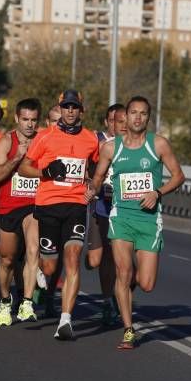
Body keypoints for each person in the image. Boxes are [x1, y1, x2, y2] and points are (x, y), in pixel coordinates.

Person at [91, 96, 185, 349]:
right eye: (133, 113)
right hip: (120, 217)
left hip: (149, 220)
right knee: (123, 273)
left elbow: (178, 176)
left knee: (147, 283)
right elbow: (98, 177)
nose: (137, 118)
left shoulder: (159, 144)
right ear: (126, 116)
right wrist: (91, 190)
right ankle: (128, 330)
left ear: (147, 118)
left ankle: (127, 286)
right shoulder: (111, 148)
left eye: (143, 114)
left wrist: (158, 192)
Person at [18, 89, 100, 340]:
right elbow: (23, 168)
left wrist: (92, 185)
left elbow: (96, 168)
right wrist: (45, 172)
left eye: (74, 107)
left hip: (76, 205)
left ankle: (66, 320)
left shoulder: (90, 139)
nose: (70, 111)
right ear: (60, 109)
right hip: (48, 205)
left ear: (81, 110)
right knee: (50, 266)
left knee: (73, 257)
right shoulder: (45, 136)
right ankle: (42, 272)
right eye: (66, 107)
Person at [0, 98, 42, 326]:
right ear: (16, 119)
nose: (29, 125)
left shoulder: (43, 140)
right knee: (7, 259)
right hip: (8, 207)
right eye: (25, 119)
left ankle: (27, 302)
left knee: (33, 250)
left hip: (34, 206)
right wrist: (16, 158)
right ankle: (5, 300)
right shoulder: (6, 141)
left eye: (34, 120)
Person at [87, 104, 125, 326]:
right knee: (99, 259)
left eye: (119, 121)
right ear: (107, 122)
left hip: (126, 208)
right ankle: (108, 298)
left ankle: (116, 296)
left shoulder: (137, 145)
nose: (115, 124)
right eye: (112, 120)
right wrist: (91, 185)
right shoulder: (100, 144)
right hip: (101, 205)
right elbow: (87, 167)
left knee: (123, 260)